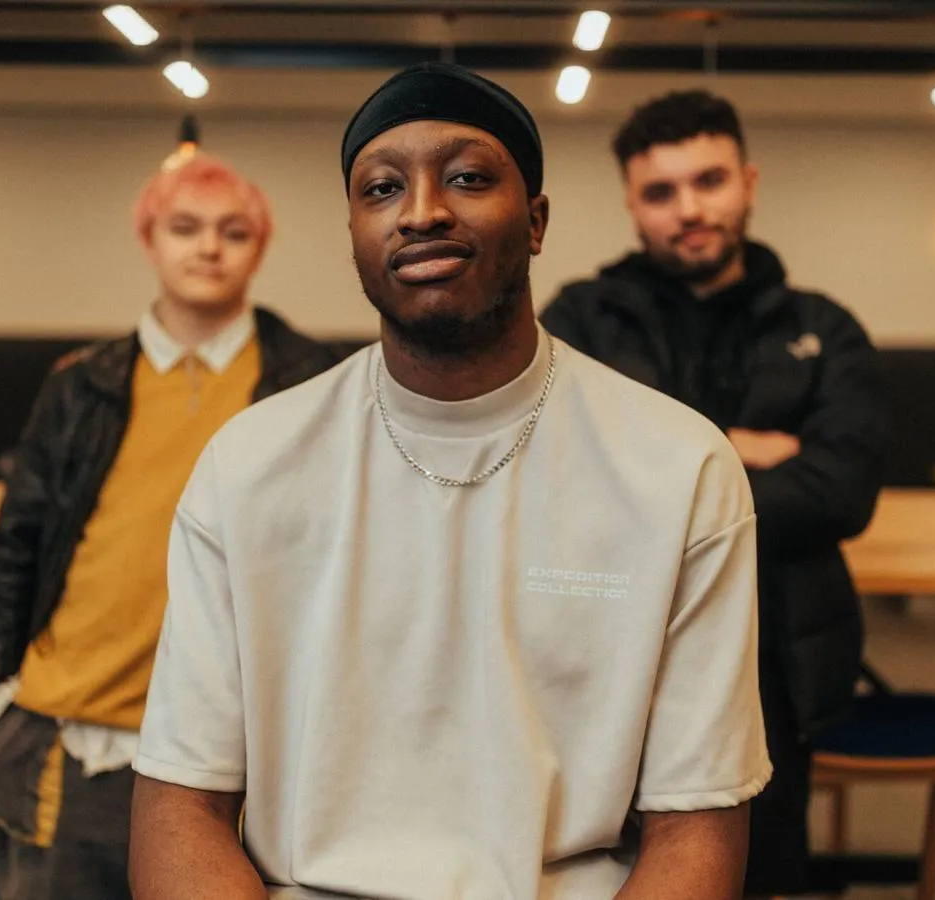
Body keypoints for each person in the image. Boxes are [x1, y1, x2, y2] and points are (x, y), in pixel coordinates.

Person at [130, 63, 771, 900]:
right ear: (355, 232)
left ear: (536, 221)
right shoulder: (249, 464)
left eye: (468, 178)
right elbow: (182, 804)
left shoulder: (679, 467)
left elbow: (698, 829)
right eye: (382, 188)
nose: (424, 211)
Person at [0, 153, 342, 900]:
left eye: (233, 232)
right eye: (185, 228)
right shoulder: (80, 384)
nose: (208, 248)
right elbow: (14, 549)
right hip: (70, 736)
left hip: (239, 757)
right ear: (148, 240)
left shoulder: (312, 380)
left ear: (259, 248)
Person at [542, 89, 890, 897]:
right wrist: (743, 453)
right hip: (600, 649)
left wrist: (662, 475)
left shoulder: (824, 329)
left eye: (709, 181)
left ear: (749, 181)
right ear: (632, 203)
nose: (688, 208)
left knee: (756, 873)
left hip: (778, 659)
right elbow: (562, 479)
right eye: (661, 192)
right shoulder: (576, 323)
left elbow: (843, 490)